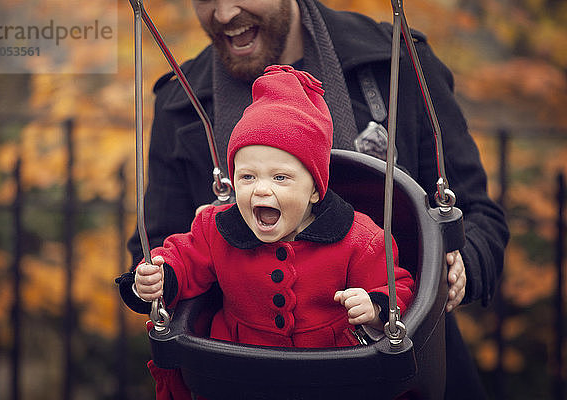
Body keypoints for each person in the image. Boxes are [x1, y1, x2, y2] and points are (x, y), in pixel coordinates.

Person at [123, 0, 509, 398]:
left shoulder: (394, 59)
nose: (223, 14)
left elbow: (478, 214)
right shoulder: (182, 100)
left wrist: (457, 267)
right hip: (241, 370)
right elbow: (154, 247)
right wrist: (168, 268)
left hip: (389, 368)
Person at [118, 66, 415, 399]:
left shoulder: (359, 238)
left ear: (315, 190)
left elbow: (397, 285)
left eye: (280, 178)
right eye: (247, 177)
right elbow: (183, 257)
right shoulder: (217, 229)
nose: (260, 190)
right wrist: (158, 277)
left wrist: (374, 307)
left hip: (330, 373)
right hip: (238, 370)